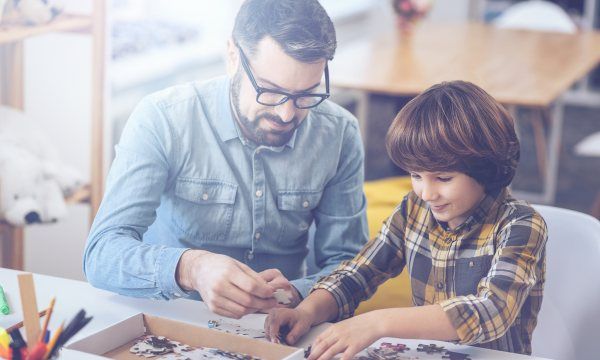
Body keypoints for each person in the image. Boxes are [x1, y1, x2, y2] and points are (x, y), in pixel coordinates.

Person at [84, 0, 368, 319]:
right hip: (173, 321)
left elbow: (350, 265)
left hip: (284, 327)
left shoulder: (339, 133)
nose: (287, 114)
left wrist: (301, 292)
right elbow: (102, 254)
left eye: (306, 95)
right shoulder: (163, 119)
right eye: (270, 91)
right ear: (233, 57)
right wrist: (192, 268)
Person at [265, 81, 548, 358]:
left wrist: (377, 323)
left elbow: (493, 310)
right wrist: (307, 311)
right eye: (415, 175)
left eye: (443, 178)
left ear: (486, 168)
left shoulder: (521, 225)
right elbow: (359, 272)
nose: (426, 193)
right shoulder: (414, 208)